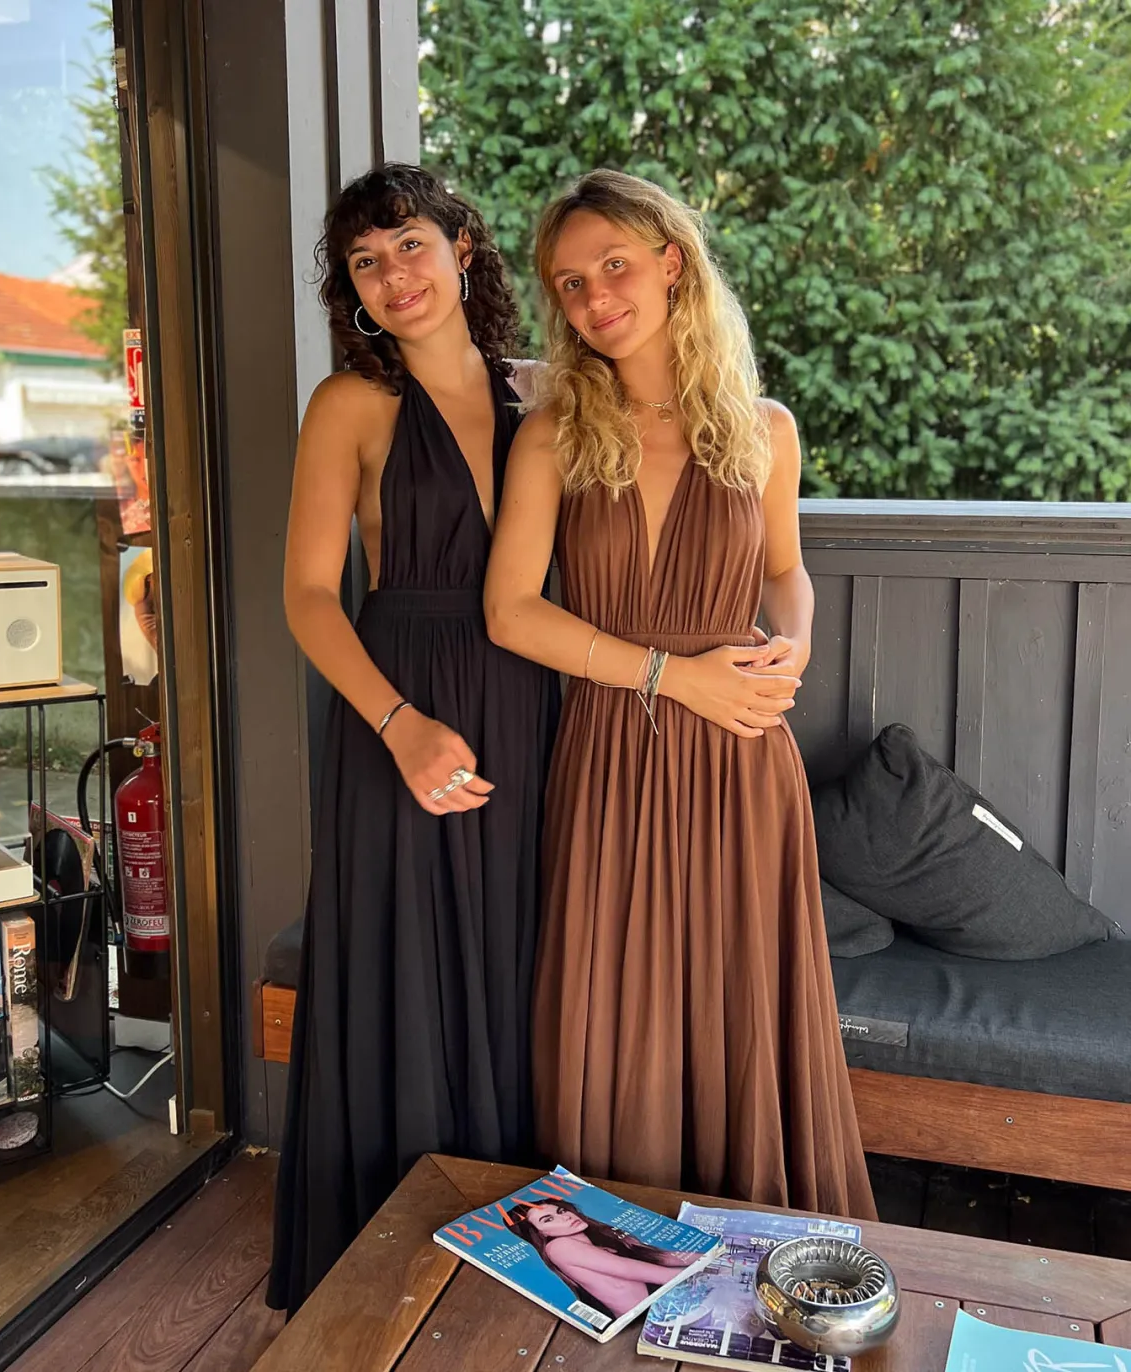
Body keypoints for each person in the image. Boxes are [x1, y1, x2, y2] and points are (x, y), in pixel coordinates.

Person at [485, 169, 876, 1220]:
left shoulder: (765, 429)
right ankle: (619, 1248)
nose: (594, 297)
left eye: (613, 265)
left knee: (741, 1002)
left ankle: (753, 1245)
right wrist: (673, 676)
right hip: (613, 746)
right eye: (570, 284)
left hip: (740, 753)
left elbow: (786, 571)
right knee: (616, 1004)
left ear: (671, 263)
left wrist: (794, 645)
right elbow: (510, 612)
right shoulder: (555, 434)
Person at [268, 163, 559, 1317]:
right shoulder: (351, 404)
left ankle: (512, 1258)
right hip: (401, 708)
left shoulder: (544, 396)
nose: (394, 277)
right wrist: (398, 726)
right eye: (365, 262)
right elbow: (307, 594)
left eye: (410, 246)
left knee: (516, 960)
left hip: (532, 705)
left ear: (463, 247)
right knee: (405, 967)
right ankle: (385, 1266)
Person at [506, 1199, 705, 1320]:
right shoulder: (558, 1247)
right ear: (540, 1234)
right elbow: (628, 1269)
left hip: (659, 1303)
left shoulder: (596, 1238)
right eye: (548, 1220)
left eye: (561, 1211)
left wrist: (711, 1255)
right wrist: (701, 1274)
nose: (565, 1217)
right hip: (642, 1318)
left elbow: (658, 1257)